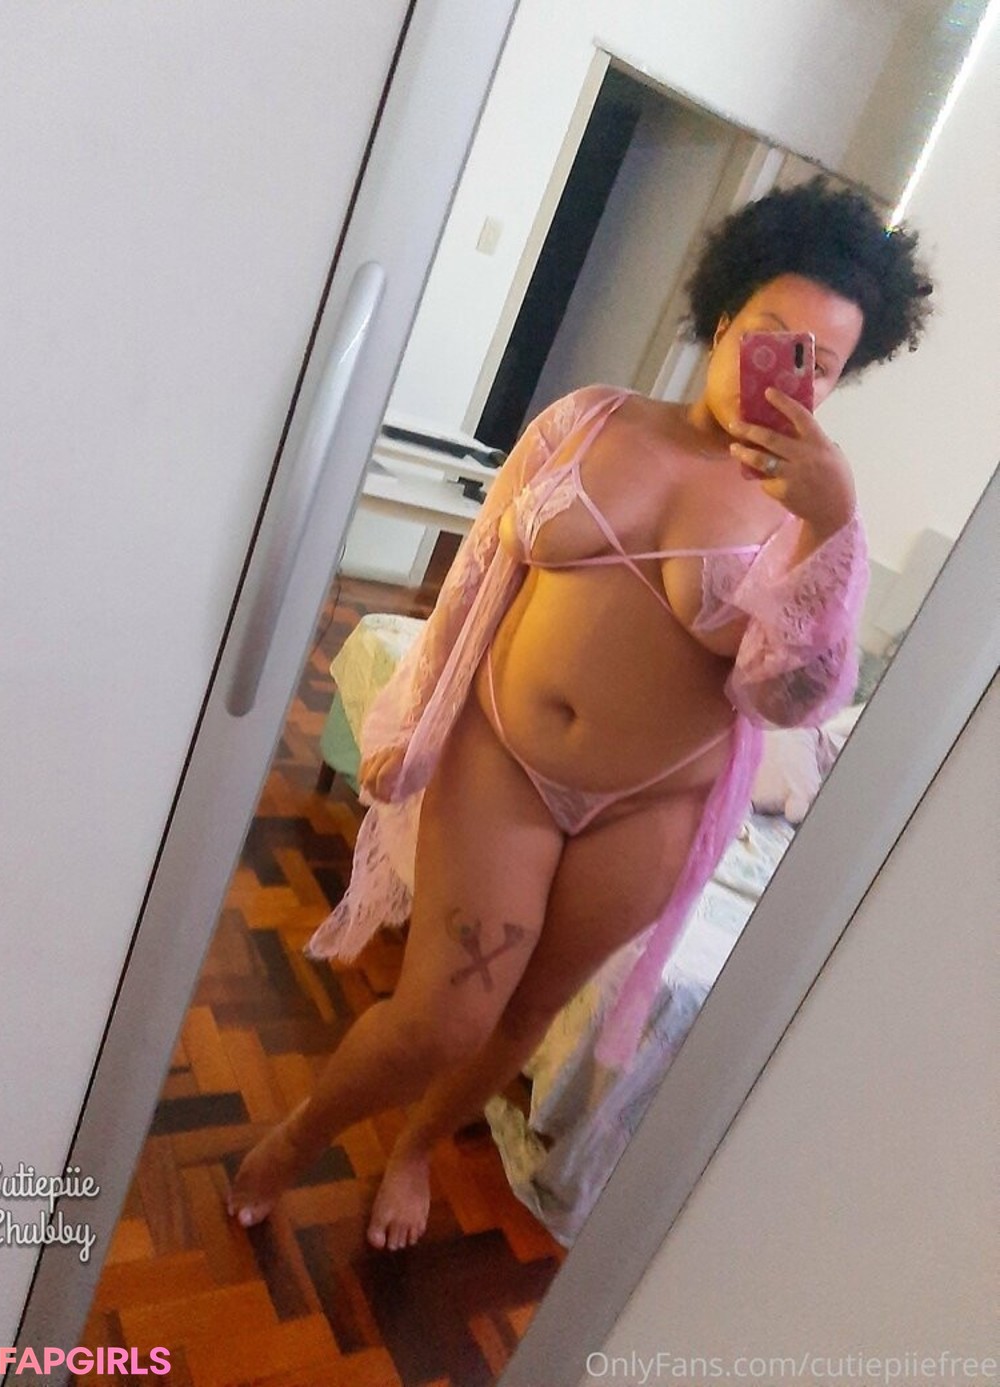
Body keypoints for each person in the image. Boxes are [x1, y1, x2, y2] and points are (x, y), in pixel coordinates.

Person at [227, 176, 932, 1247]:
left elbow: (788, 695)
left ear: (841, 378)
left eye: (819, 362)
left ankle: (416, 1149)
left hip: (650, 809)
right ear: (725, 316)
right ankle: (298, 1136)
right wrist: (409, 726)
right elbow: (475, 580)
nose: (786, 371)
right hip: (505, 759)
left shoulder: (811, 518)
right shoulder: (588, 420)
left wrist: (830, 531)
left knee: (521, 1015)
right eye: (770, 334)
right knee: (444, 1015)